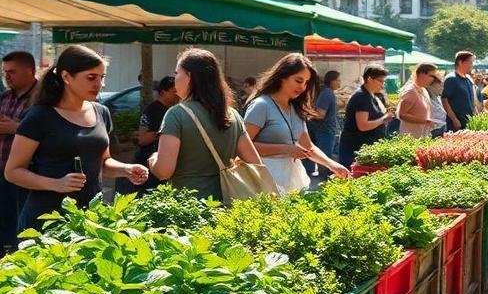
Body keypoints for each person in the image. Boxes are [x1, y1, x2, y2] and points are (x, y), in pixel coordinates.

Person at [4, 45, 149, 232]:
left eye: (101, 77)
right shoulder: (39, 116)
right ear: (66, 77)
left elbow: (103, 163)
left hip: (90, 217)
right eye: (91, 77)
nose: (99, 84)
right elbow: (13, 171)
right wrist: (56, 184)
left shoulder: (101, 112)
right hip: (46, 219)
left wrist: (127, 169)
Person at [148, 48, 264, 201]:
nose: (174, 78)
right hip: (227, 205)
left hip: (189, 208)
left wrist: (153, 158)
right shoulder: (232, 115)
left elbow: (164, 171)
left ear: (189, 76)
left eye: (177, 73)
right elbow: (256, 164)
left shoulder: (176, 114)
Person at [246, 53, 348, 193]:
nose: (302, 87)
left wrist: (332, 165)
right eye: (299, 81)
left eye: (306, 82)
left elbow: (308, 147)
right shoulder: (261, 105)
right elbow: (243, 147)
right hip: (263, 180)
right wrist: (286, 149)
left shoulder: (295, 108)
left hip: (290, 178)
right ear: (282, 76)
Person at [0, 51, 37, 252]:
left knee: (20, 222)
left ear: (30, 71)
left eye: (12, 72)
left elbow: (46, 131)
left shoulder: (42, 99)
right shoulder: (5, 97)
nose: (7, 76)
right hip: (2, 169)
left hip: (26, 172)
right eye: (5, 72)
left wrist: (17, 128)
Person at [118, 75, 180, 195]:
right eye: (174, 92)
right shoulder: (152, 110)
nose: (177, 95)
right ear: (163, 92)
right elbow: (142, 139)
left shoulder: (174, 111)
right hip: (148, 162)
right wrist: (164, 132)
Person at [339, 64, 394, 165]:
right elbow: (363, 126)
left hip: (365, 148)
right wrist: (384, 119)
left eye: (383, 81)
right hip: (356, 150)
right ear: (369, 79)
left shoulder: (370, 95)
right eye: (380, 81)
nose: (382, 85)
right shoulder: (362, 97)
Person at [305, 70, 341, 182]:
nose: (340, 83)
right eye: (338, 80)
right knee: (324, 158)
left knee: (314, 155)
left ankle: (313, 177)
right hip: (325, 131)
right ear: (332, 81)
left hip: (320, 129)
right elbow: (320, 114)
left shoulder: (324, 92)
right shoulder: (327, 93)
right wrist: (307, 115)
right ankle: (322, 182)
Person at [396, 63, 440, 137]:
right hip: (410, 138)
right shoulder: (411, 91)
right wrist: (425, 121)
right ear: (421, 74)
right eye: (431, 76)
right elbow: (402, 115)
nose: (433, 79)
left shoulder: (423, 89)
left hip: (422, 136)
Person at [441, 51, 476, 132]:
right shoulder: (451, 79)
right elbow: (444, 100)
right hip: (457, 123)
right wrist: (454, 119)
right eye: (470, 62)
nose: (472, 65)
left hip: (468, 121)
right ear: (460, 62)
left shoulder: (467, 79)